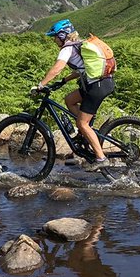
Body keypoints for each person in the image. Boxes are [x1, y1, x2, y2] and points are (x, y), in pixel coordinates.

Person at [33, 19, 115, 169]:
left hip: (96, 86)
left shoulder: (67, 49)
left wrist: (40, 85)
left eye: (55, 37)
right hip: (103, 82)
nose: (54, 40)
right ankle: (85, 133)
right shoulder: (78, 45)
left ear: (63, 35)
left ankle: (101, 158)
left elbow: (57, 67)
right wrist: (64, 80)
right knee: (69, 100)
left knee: (82, 123)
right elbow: (81, 69)